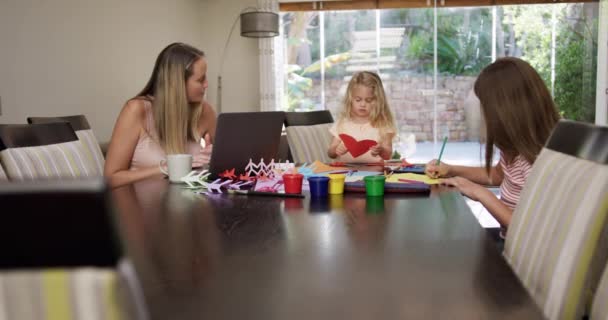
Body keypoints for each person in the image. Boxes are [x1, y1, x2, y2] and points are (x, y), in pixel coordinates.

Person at [425, 57, 560, 234]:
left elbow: (527, 231)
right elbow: (497, 176)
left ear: (505, 110)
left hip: (520, 255)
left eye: (485, 108)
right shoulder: (516, 149)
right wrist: (451, 170)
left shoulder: (539, 162)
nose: (483, 115)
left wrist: (480, 193)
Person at [105, 43, 216, 188]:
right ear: (176, 83)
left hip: (190, 204)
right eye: (200, 80)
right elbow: (110, 179)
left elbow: (228, 166)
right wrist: (166, 168)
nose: (206, 84)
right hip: (143, 207)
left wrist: (214, 159)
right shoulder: (136, 110)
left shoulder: (205, 111)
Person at [327, 71, 397, 163]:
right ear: (350, 99)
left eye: (369, 100)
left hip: (374, 175)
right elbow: (330, 153)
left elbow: (388, 155)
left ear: (378, 101)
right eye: (358, 100)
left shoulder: (383, 124)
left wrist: (381, 150)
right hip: (344, 173)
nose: (363, 104)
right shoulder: (342, 123)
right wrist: (336, 149)